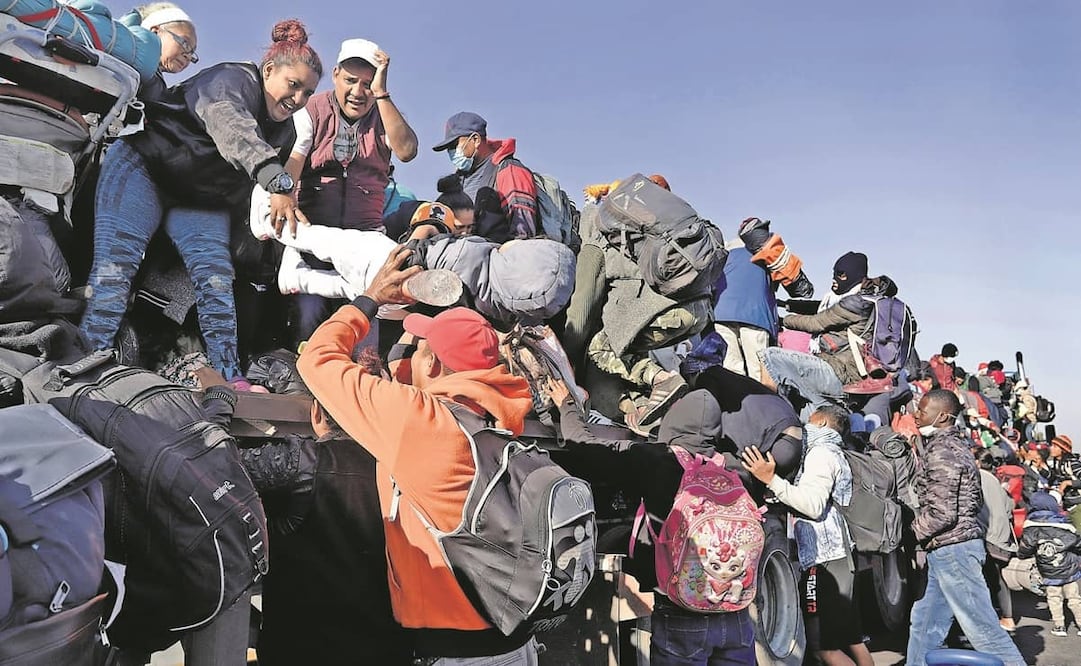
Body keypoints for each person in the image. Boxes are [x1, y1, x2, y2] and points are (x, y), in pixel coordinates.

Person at [296, 246, 542, 664]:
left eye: (421, 349)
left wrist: (369, 299)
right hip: (514, 643)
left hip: (458, 654)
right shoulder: (499, 425)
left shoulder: (420, 422)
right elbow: (412, 381)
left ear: (433, 363)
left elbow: (317, 360)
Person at [80, 20, 322, 391]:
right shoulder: (232, 79)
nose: (299, 99)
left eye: (308, 93)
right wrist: (278, 180)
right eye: (294, 85)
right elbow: (230, 124)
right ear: (269, 70)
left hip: (198, 197)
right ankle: (86, 368)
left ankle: (228, 374)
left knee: (216, 281)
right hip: (145, 167)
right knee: (115, 268)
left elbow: (249, 193)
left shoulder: (286, 131)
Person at [541, 382, 758, 666]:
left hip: (683, 613)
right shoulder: (736, 469)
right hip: (737, 614)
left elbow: (587, 450)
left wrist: (568, 406)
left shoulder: (659, 460)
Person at [279, 37, 418, 346]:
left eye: (368, 84)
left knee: (363, 326)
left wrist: (382, 94)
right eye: (351, 80)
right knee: (308, 314)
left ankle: (360, 385)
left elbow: (407, 151)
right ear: (336, 74)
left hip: (365, 243)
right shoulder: (312, 107)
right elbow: (293, 156)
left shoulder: (384, 113)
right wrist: (283, 191)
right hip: (315, 240)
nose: (358, 92)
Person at [741, 404, 874, 666]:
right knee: (851, 639)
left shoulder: (821, 454)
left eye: (809, 420)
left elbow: (813, 506)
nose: (803, 426)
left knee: (822, 647)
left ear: (822, 423)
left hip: (826, 559)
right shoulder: (833, 451)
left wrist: (772, 480)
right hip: (838, 555)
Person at [904, 389, 1025, 666]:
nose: (916, 415)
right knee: (925, 627)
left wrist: (908, 535)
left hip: (953, 551)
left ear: (943, 415)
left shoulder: (943, 452)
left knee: (983, 630)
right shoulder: (958, 447)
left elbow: (942, 514)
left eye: (922, 411)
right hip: (948, 550)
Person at [431, 112, 537, 242]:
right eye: (448, 148)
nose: (451, 152)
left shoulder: (509, 171)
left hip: (499, 258)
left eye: (454, 145)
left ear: (475, 140)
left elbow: (523, 236)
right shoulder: (458, 181)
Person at [709, 235, 778, 383]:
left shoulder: (724, 255)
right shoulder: (765, 254)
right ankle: (761, 403)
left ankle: (736, 403)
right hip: (755, 315)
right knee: (758, 371)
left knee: (731, 369)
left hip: (722, 314)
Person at [1018, 491, 1081, 637]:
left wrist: (1021, 555)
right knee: (1074, 598)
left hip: (1048, 571)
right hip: (1069, 569)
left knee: (1054, 598)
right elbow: (1077, 543)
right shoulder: (1064, 525)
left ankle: (1059, 626)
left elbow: (1025, 548)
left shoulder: (1031, 528)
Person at [121, 2, 199, 101]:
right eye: (184, 43)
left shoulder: (152, 77)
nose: (188, 56)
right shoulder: (132, 62)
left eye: (192, 52)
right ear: (155, 32)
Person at [976, 450, 1018, 633]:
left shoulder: (976, 478)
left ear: (977, 462)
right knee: (995, 577)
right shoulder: (995, 480)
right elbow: (1010, 507)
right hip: (1001, 534)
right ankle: (1006, 617)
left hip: (988, 535)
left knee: (989, 578)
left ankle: (1001, 619)